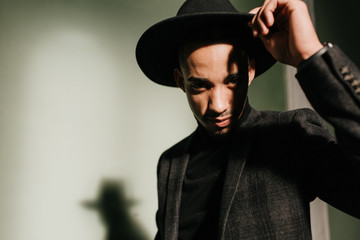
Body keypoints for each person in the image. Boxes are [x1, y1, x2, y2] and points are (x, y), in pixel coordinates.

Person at [135, 0, 360, 239]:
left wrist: (311, 55)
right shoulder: (170, 164)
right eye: (200, 86)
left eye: (232, 80)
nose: (218, 106)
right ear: (181, 82)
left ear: (249, 71)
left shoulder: (290, 135)